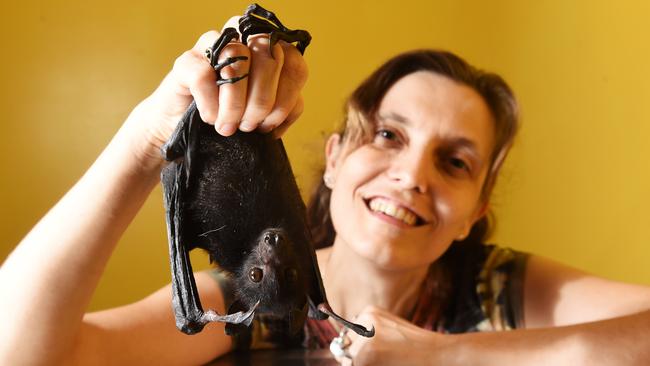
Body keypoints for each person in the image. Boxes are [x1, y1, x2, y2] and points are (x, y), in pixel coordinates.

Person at [1, 20, 650, 365]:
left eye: (454, 162)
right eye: (390, 136)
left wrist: (448, 360)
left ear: (476, 212)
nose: (414, 176)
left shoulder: (500, 289)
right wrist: (147, 138)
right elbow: (20, 354)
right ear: (335, 158)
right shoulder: (250, 297)